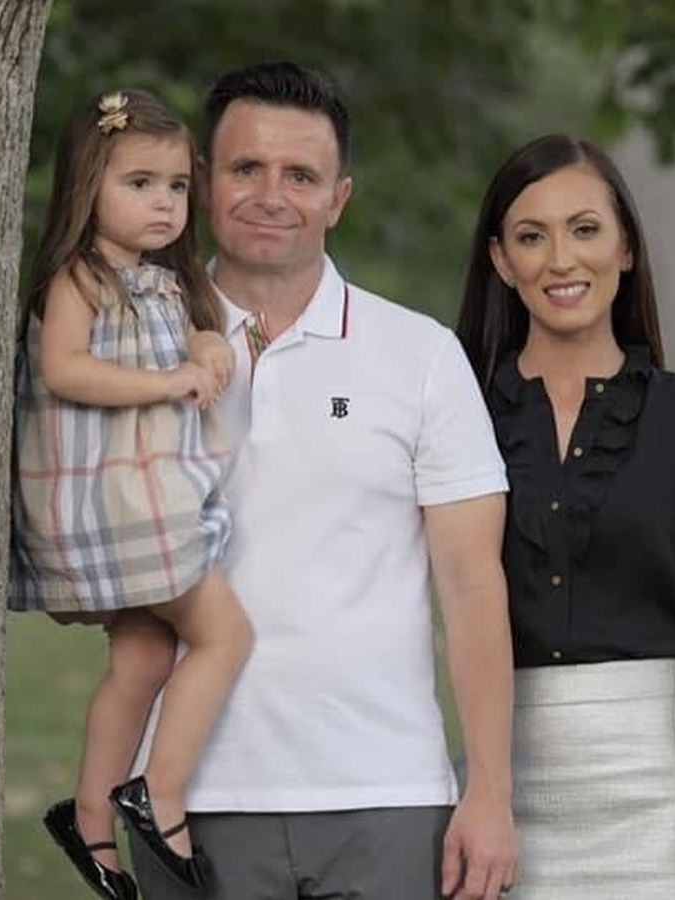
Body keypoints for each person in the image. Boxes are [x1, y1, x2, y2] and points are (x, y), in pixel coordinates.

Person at [125, 62, 519, 900]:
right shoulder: (134, 344)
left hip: (386, 790)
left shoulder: (419, 355)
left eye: (300, 176)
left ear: (338, 199)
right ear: (204, 182)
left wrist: (489, 789)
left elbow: (472, 585)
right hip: (186, 795)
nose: (272, 195)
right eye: (247, 168)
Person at [455, 133, 675, 897]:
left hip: (674, 788)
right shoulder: (453, 416)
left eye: (585, 229)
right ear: (501, 261)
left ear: (625, 248)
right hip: (502, 793)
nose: (561, 260)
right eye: (532, 237)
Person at [9, 89, 254, 899]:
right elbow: (65, 369)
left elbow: (192, 342)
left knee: (145, 655)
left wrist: (207, 349)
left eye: (177, 186)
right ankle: (159, 793)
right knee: (224, 636)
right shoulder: (79, 279)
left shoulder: (159, 284)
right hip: (119, 506)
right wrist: (169, 380)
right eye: (140, 184)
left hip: (139, 503)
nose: (165, 203)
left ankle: (89, 822)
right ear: (89, 187)